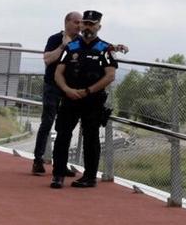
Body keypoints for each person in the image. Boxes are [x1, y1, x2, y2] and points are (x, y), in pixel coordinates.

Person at [49, 10, 122, 189]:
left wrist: (88, 91)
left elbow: (110, 75)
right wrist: (67, 90)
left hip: (93, 100)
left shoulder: (105, 49)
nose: (87, 27)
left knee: (91, 138)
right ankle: (58, 175)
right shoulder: (71, 47)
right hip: (70, 98)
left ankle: (89, 177)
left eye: (92, 24)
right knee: (62, 136)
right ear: (81, 25)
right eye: (85, 23)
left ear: (99, 26)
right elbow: (58, 73)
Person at [32, 11, 80, 176]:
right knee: (47, 122)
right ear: (66, 22)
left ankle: (60, 164)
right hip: (52, 86)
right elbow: (47, 59)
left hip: (70, 89)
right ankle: (38, 160)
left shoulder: (81, 42)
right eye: (76, 22)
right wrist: (62, 45)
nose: (79, 25)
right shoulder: (54, 39)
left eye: (81, 22)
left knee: (65, 128)